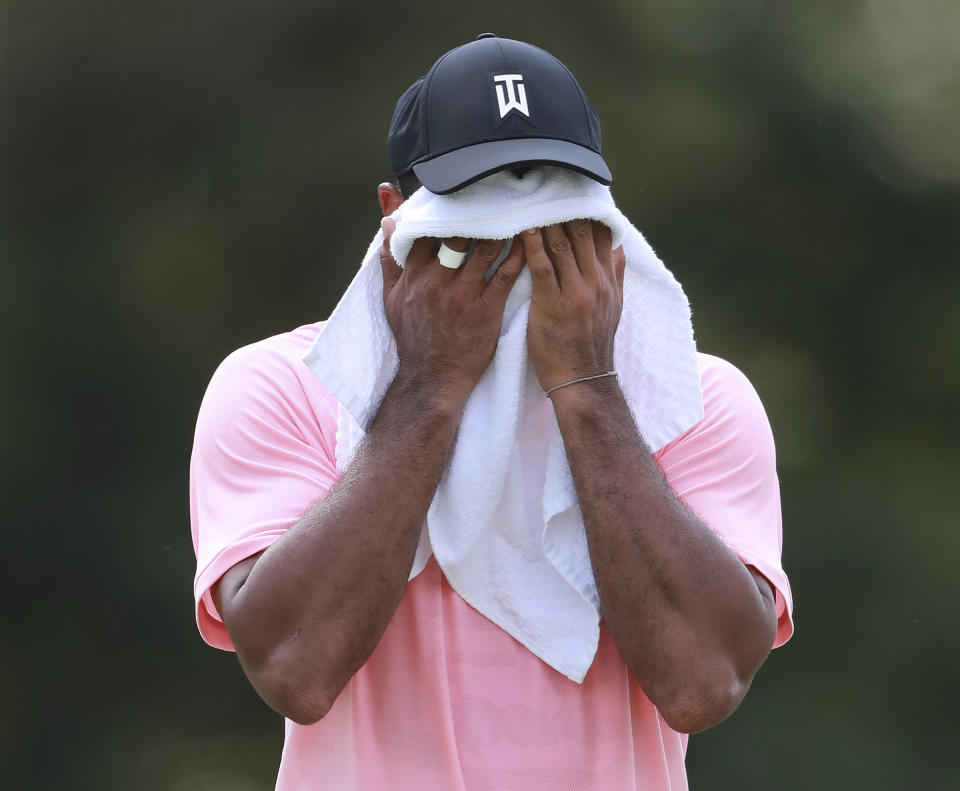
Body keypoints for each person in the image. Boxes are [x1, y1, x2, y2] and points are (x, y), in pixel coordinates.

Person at [190, 34, 793, 790]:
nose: (515, 242)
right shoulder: (281, 387)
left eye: (548, 207)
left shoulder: (690, 401)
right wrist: (430, 387)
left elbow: (702, 683)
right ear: (395, 216)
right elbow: (295, 670)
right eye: (477, 213)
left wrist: (588, 385)